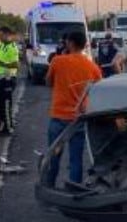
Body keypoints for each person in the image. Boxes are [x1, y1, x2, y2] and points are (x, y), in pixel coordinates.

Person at [44, 32, 102, 188]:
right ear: (84, 45)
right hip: (78, 119)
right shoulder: (92, 67)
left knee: (54, 156)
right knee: (76, 159)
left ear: (70, 43)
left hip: (58, 117)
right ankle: (73, 191)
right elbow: (98, 91)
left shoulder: (57, 61)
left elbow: (48, 82)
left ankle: (49, 188)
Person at [0, 26, 20, 134]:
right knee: (0, 104)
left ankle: (8, 128)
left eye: (0, 35)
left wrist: (1, 63)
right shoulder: (2, 46)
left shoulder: (12, 47)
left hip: (8, 79)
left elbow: (16, 64)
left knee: (6, 104)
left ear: (6, 34)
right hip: (1, 78)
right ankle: (4, 124)